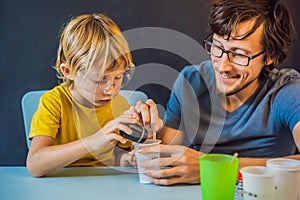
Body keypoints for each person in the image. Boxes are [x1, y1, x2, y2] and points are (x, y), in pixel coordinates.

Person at [127, 0, 300, 185]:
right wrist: (147, 135)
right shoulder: (190, 82)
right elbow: (167, 150)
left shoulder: (287, 92)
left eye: (240, 54)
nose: (223, 66)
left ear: (270, 56)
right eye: (217, 47)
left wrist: (214, 168)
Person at [26, 13, 153, 177]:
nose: (110, 90)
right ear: (68, 71)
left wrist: (126, 159)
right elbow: (35, 165)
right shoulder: (54, 102)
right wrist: (93, 141)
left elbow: (113, 157)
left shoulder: (119, 104)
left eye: (118, 77)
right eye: (99, 80)